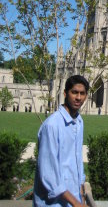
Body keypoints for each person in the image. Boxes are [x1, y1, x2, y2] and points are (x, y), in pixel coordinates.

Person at [33, 75, 89, 207]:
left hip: (73, 200)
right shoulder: (52, 125)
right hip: (53, 204)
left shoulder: (79, 122)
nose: (78, 97)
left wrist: (81, 197)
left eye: (82, 93)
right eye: (74, 92)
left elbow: (77, 162)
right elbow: (49, 175)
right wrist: (77, 204)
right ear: (65, 93)